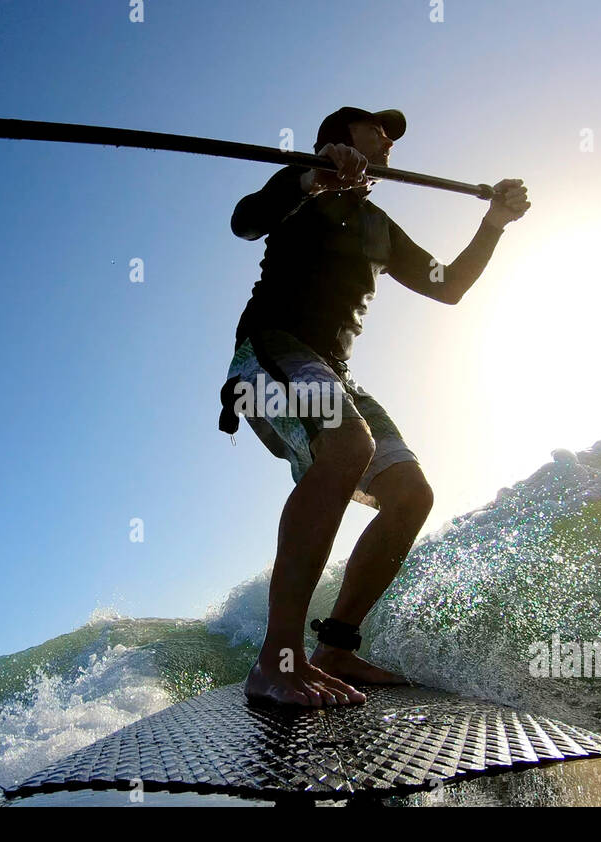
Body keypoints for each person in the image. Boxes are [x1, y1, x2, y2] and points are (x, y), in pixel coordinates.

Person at [218, 107, 530, 707]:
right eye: (376, 130)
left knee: (410, 494)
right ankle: (276, 661)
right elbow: (244, 221)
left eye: (391, 136)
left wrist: (493, 224)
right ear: (338, 137)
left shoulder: (379, 227)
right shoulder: (299, 188)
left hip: (336, 375)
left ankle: (335, 647)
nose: (388, 141)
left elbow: (448, 285)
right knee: (348, 445)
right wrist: (309, 179)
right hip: (268, 355)